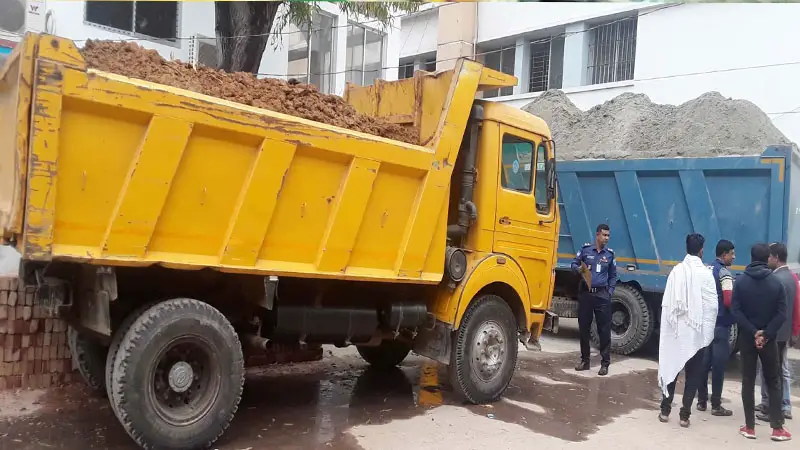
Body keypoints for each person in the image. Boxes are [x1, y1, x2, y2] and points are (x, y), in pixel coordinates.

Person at [731, 243, 791, 441]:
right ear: (767, 259)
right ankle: (777, 429)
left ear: (750, 257)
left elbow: (736, 311)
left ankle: (749, 427)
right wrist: (766, 334)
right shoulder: (776, 284)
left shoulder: (740, 282)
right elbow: (781, 314)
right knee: (773, 381)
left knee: (748, 381)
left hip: (747, 339)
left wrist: (753, 331)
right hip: (769, 340)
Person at [657, 233, 718, 428]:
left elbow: (666, 304)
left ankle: (665, 411)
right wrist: (706, 333)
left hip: (676, 332)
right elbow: (712, 307)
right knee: (693, 374)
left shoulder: (676, 272)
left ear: (686, 248)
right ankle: (684, 416)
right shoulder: (706, 274)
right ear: (701, 250)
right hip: (696, 333)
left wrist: (668, 328)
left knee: (672, 367)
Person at [755, 242, 800, 421]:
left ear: (775, 258)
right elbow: (796, 308)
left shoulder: (776, 280)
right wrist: (794, 331)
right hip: (785, 332)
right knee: (781, 369)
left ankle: (775, 407)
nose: (768, 259)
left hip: (774, 333)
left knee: (772, 371)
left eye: (770, 256)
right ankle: (781, 404)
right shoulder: (792, 278)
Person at [571, 223, 616, 376]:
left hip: (602, 295)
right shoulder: (585, 251)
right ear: (597, 235)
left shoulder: (609, 255)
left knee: (604, 330)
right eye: (604, 235)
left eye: (608, 236)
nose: (606, 238)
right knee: (584, 328)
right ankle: (585, 361)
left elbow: (613, 275)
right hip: (586, 294)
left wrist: (609, 292)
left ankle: (605, 363)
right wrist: (579, 270)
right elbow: (574, 264)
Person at [697, 239, 735, 416]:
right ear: (724, 254)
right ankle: (716, 405)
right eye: (732, 254)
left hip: (706, 324)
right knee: (718, 366)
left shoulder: (706, 269)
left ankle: (701, 401)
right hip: (720, 325)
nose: (734, 257)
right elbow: (728, 300)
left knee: (704, 363)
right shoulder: (725, 273)